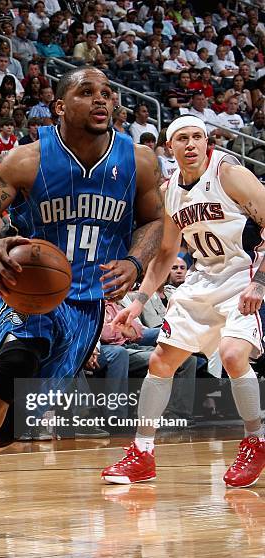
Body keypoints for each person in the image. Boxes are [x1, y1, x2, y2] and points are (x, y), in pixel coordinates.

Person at [0, 66, 164, 539]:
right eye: (86, 92)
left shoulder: (140, 161)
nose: (102, 100)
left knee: (11, 428)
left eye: (106, 93)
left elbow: (153, 221)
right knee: (12, 368)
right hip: (27, 291)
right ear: (61, 107)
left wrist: (134, 259)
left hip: (88, 307)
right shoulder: (25, 160)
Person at [102, 115, 265, 489]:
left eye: (197, 137)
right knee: (160, 361)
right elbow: (165, 253)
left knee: (232, 354)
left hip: (246, 273)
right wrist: (140, 300)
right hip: (204, 276)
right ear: (169, 147)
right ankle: (142, 453)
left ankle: (255, 439)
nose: (191, 144)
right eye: (182, 139)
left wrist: (260, 283)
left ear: (206, 141)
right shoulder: (171, 189)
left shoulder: (228, 173)